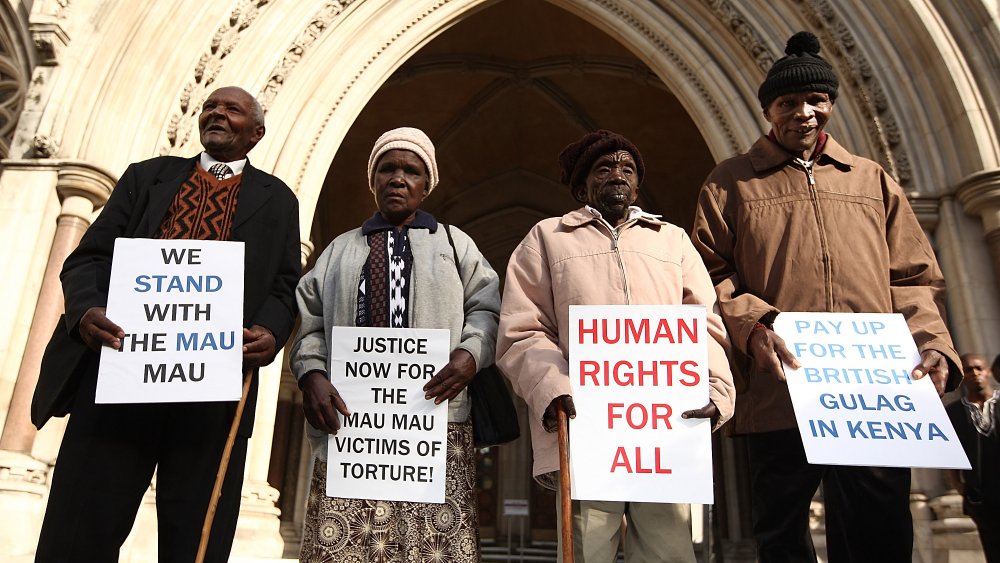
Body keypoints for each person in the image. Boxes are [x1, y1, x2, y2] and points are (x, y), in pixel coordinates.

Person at [691, 31, 962, 562]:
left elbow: (912, 276)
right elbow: (706, 275)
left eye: (816, 100)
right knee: (783, 532)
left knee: (878, 527)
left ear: (831, 104)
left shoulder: (872, 180)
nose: (804, 113)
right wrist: (754, 326)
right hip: (781, 385)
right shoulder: (730, 184)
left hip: (874, 390)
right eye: (788, 102)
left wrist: (932, 343)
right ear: (769, 110)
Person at [32, 86, 301, 562]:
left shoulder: (278, 200)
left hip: (212, 392)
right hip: (120, 379)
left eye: (231, 109)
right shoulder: (146, 178)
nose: (216, 112)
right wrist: (87, 310)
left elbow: (285, 287)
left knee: (194, 540)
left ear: (256, 133)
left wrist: (272, 332)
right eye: (210, 106)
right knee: (81, 528)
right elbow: (87, 260)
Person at [496, 129, 735, 563]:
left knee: (669, 552)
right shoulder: (548, 239)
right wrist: (552, 389)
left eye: (627, 168)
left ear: (638, 185)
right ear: (582, 185)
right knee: (588, 549)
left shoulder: (672, 240)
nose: (617, 175)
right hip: (591, 432)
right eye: (603, 168)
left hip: (663, 434)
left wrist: (715, 390)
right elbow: (522, 329)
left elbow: (705, 325)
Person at [289, 126, 500, 562]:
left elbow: (488, 308)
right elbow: (309, 325)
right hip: (353, 427)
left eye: (411, 170)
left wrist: (470, 354)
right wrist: (311, 372)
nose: (398, 178)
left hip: (434, 426)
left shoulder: (454, 244)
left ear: (427, 185)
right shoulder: (338, 252)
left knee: (430, 547)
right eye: (387, 168)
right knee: (345, 545)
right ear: (373, 180)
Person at [947, 354, 1000, 562]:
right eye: (968, 370)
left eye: (979, 368)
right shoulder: (954, 412)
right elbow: (949, 451)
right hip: (980, 495)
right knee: (992, 546)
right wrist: (957, 484)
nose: (975, 374)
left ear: (988, 372)